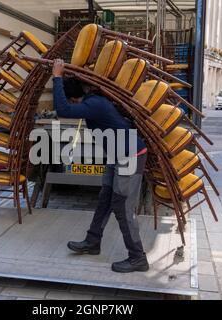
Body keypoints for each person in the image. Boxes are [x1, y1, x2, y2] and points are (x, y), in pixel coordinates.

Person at [51, 59, 149, 273]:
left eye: (73, 101)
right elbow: (64, 109)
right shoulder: (94, 101)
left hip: (130, 155)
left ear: (75, 98)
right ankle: (92, 242)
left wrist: (57, 77)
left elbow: (63, 110)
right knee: (105, 199)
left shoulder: (93, 104)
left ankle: (138, 257)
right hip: (117, 155)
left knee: (122, 207)